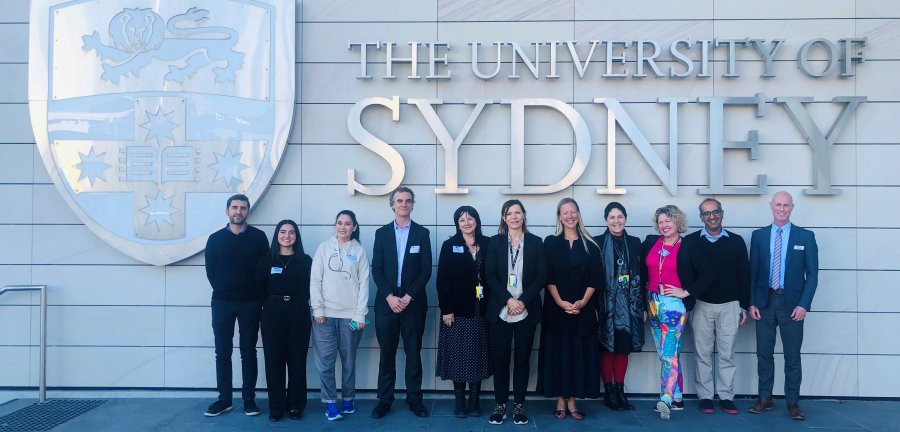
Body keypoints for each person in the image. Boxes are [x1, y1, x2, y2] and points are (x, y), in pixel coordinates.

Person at [747, 191, 818, 421]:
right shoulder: (758, 236)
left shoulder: (805, 237)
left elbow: (813, 275)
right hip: (765, 303)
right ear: (771, 206)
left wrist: (804, 305)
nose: (782, 208)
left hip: (792, 305)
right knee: (764, 354)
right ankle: (765, 399)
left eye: (786, 205)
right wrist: (752, 302)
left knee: (792, 356)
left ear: (792, 207)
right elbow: (753, 272)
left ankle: (793, 403)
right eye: (778, 204)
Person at [640, 205, 714, 420]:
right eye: (660, 222)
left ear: (677, 222)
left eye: (668, 221)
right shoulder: (651, 243)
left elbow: (709, 274)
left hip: (674, 305)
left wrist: (687, 291)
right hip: (653, 302)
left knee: (669, 354)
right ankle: (678, 397)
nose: (664, 225)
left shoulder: (689, 247)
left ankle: (665, 398)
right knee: (665, 353)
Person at [203, 194, 269, 417]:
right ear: (227, 211)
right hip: (222, 302)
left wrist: (256, 297)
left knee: (248, 352)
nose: (238, 211)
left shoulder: (259, 238)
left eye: (242, 208)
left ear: (248, 211)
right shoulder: (215, 239)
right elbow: (211, 272)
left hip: (250, 303)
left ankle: (249, 399)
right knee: (222, 352)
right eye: (234, 207)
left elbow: (264, 272)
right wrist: (225, 289)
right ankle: (224, 400)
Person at [371, 186, 433, 419]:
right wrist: (389, 296)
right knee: (387, 354)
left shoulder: (422, 233)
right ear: (392, 204)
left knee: (413, 353)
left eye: (408, 201)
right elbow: (376, 268)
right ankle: (385, 400)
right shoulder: (382, 233)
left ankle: (415, 400)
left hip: (413, 303)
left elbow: (426, 270)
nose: (404, 204)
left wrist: (408, 297)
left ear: (412, 205)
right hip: (386, 303)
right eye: (399, 201)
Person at [684, 198, 750, 415]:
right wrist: (689, 302)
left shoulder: (736, 241)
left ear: (722, 213)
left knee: (726, 354)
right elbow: (687, 275)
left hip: (730, 305)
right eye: (706, 213)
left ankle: (726, 396)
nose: (711, 216)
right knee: (701, 354)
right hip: (702, 305)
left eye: (715, 212)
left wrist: (744, 306)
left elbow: (744, 275)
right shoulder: (691, 241)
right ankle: (705, 397)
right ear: (701, 217)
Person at [485, 199, 546, 426]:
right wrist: (508, 300)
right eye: (509, 213)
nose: (514, 217)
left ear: (523, 215)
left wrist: (521, 301)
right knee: (500, 359)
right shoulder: (495, 243)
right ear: (504, 217)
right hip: (500, 310)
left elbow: (541, 275)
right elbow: (490, 274)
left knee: (522, 360)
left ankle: (519, 405)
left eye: (517, 212)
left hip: (526, 310)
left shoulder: (536, 242)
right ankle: (500, 404)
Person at [540, 198, 602, 420]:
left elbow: (596, 277)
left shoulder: (590, 244)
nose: (569, 216)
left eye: (573, 211)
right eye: (565, 212)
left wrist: (583, 302)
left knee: (578, 355)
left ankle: (573, 402)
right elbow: (547, 275)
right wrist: (559, 301)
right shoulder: (551, 242)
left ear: (578, 214)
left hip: (582, 311)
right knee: (559, 354)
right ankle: (559, 401)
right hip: (557, 310)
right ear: (559, 216)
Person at [310, 210, 370, 421]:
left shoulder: (359, 251)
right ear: (335, 225)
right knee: (325, 363)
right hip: (324, 318)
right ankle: (330, 403)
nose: (343, 227)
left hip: (351, 319)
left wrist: (360, 315)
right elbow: (315, 280)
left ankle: (348, 399)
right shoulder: (324, 248)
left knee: (349, 361)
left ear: (354, 227)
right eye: (339, 223)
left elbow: (364, 285)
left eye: (347, 223)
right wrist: (318, 309)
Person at [435, 206, 492, 418]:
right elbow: (443, 280)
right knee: (458, 355)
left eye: (470, 218)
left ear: (476, 220)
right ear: (457, 224)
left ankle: (475, 400)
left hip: (482, 309)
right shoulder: (450, 245)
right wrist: (446, 310)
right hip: (457, 311)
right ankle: (459, 400)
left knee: (476, 353)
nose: (466, 223)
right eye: (461, 220)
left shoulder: (489, 243)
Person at [255, 220, 313, 422]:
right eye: (282, 231)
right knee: (274, 361)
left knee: (297, 361)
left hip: (299, 313)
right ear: (276, 235)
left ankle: (296, 406)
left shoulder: (306, 261)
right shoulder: (265, 261)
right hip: (272, 314)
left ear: (296, 236)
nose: (287, 236)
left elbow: (312, 288)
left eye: (291, 232)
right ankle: (277, 406)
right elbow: (258, 290)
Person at [594, 202, 644, 412]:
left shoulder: (634, 242)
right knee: (607, 347)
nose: (616, 221)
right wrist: (595, 307)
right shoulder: (596, 242)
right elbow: (594, 277)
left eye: (620, 216)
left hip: (629, 305)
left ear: (625, 218)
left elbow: (642, 275)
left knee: (623, 349)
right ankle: (609, 392)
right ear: (606, 220)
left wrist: (641, 305)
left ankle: (620, 389)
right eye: (612, 217)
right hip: (605, 304)